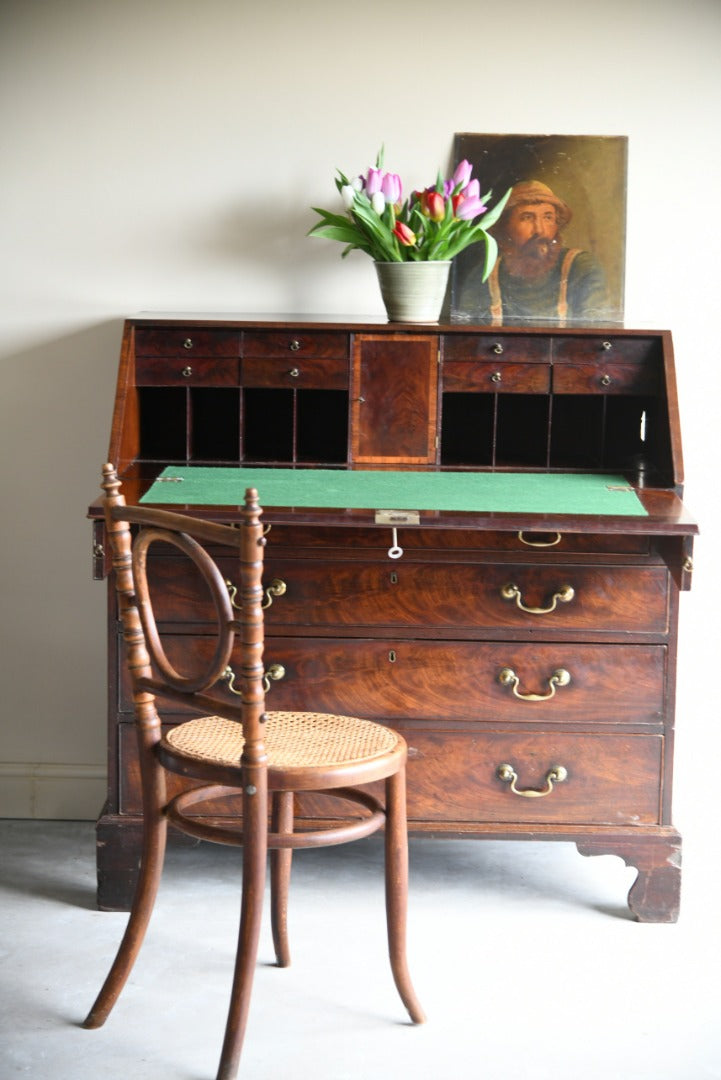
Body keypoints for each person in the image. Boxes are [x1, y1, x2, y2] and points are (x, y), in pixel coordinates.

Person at [454, 179, 608, 326]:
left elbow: (597, 332)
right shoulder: (483, 276)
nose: (540, 230)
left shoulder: (581, 268)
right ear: (505, 227)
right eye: (527, 218)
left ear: (557, 224)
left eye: (548, 217)